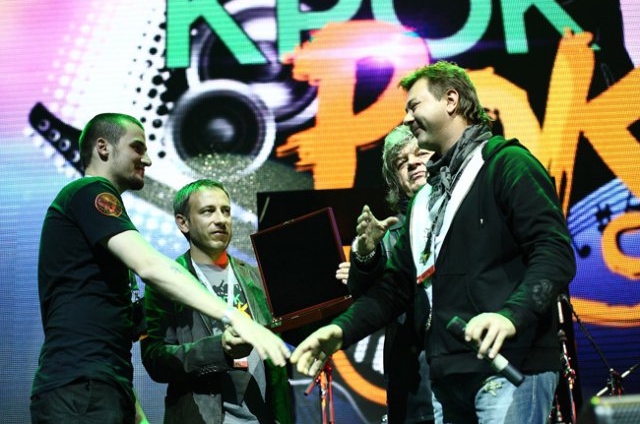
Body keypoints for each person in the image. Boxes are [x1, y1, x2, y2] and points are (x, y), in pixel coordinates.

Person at [292, 61, 576, 424]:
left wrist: (510, 317)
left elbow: (554, 252)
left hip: (509, 367)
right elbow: (394, 289)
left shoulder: (507, 164)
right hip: (447, 382)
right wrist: (340, 330)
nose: (407, 118)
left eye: (415, 106)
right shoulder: (424, 201)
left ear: (451, 101)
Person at [30, 113, 289, 424]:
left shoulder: (98, 232)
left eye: (226, 211)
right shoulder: (90, 191)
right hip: (80, 392)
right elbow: (151, 266)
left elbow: (104, 337)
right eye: (137, 148)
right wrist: (234, 317)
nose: (147, 160)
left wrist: (136, 413)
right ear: (103, 148)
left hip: (102, 389)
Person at [141, 179, 293, 423]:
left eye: (226, 211)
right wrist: (219, 349)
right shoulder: (168, 281)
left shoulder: (255, 276)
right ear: (183, 223)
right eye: (208, 211)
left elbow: (293, 331)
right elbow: (155, 360)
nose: (221, 219)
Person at [336, 125, 434, 424]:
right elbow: (364, 290)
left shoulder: (467, 213)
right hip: (416, 386)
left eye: (420, 154)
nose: (412, 163)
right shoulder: (391, 235)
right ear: (395, 180)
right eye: (401, 162)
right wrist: (365, 252)